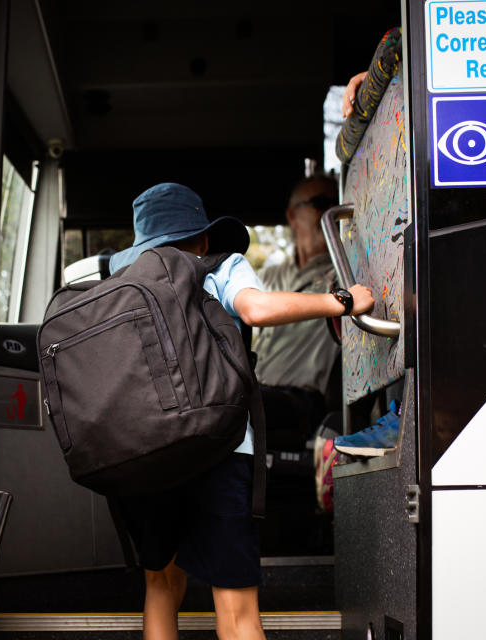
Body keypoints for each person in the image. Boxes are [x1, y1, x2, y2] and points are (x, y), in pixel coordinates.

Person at [110, 183, 373, 640]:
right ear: (205, 238)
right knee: (236, 611)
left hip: (145, 454)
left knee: (160, 585)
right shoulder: (219, 266)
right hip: (221, 447)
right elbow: (254, 309)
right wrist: (343, 301)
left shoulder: (123, 286)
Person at [252, 175, 343, 451]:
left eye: (336, 203)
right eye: (320, 203)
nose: (331, 210)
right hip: (260, 395)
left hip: (306, 403)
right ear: (293, 216)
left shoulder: (344, 273)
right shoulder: (266, 277)